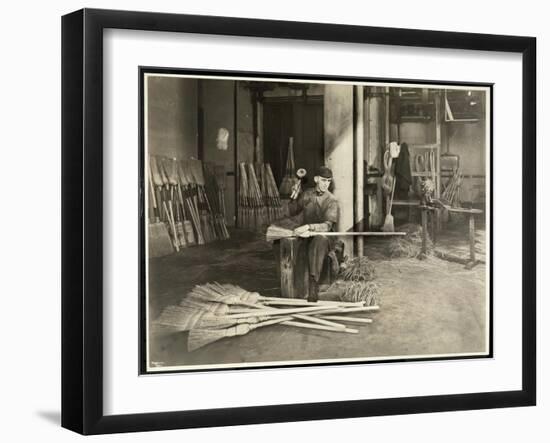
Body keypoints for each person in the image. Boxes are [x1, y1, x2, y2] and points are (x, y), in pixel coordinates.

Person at [286, 166, 340, 302]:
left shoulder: (331, 200)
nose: (325, 184)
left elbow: (327, 226)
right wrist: (294, 196)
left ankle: (313, 285)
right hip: (306, 234)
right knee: (286, 241)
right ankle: (292, 285)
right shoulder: (307, 194)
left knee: (319, 240)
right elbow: (292, 211)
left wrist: (309, 227)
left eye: (328, 181)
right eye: (323, 180)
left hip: (326, 237)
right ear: (316, 179)